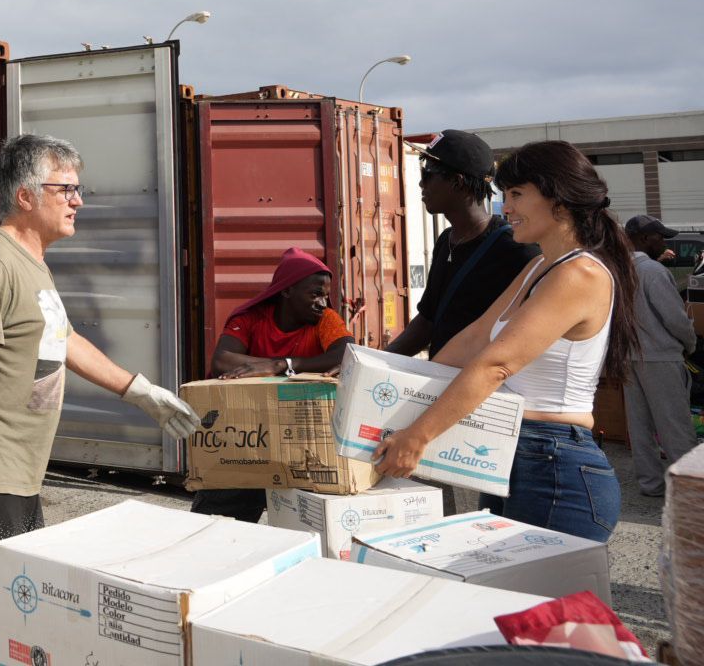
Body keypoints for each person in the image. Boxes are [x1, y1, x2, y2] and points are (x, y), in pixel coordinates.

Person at [0, 134, 198, 666]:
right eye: (65, 188)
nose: (78, 200)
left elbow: (63, 339)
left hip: (13, 473)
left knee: (5, 608)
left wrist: (138, 391)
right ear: (26, 196)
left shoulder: (33, 262)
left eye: (78, 188)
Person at [373, 141, 639, 543]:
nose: (506, 207)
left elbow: (496, 363)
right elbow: (475, 338)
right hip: (515, 456)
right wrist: (403, 396)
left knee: (543, 607)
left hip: (556, 466)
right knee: (508, 603)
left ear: (559, 201)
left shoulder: (580, 274)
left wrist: (419, 434)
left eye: (516, 194)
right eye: (505, 194)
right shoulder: (538, 265)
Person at [190, 246, 355, 522]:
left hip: (303, 442)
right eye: (314, 294)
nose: (323, 303)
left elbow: (347, 355)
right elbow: (222, 361)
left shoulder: (325, 321)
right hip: (247, 439)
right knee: (217, 523)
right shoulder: (251, 318)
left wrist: (283, 364)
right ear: (286, 291)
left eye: (325, 295)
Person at [389, 130, 539, 359]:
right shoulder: (446, 241)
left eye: (427, 173)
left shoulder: (517, 250)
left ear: (458, 183)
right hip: (442, 385)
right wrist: (370, 362)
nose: (421, 182)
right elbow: (426, 323)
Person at [622, 213, 698, 496]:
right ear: (644, 239)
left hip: (628, 357)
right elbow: (676, 320)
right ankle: (690, 490)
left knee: (639, 426)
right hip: (660, 356)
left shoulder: (617, 270)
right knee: (674, 424)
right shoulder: (653, 272)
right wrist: (690, 343)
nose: (664, 242)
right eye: (660, 237)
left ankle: (650, 483)